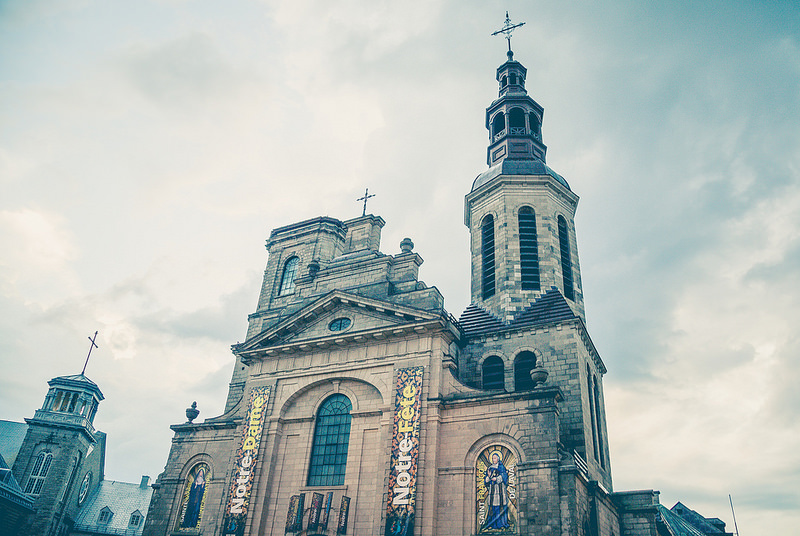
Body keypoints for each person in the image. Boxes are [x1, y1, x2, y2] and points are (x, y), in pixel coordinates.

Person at [483, 452, 509, 530]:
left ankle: (501, 524)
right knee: (493, 507)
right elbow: (486, 480)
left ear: (498, 458)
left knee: (500, 505)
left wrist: (497, 479)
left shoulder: (501, 467)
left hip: (500, 489)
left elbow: (504, 476)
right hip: (493, 490)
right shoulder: (490, 468)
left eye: (495, 458)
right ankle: (493, 524)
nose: (494, 459)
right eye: (493, 458)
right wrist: (488, 477)